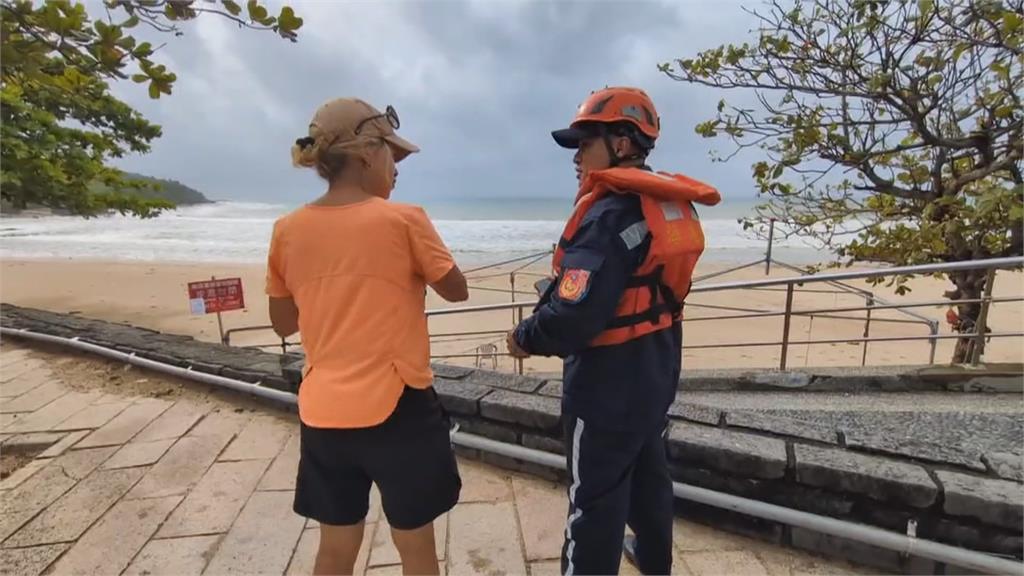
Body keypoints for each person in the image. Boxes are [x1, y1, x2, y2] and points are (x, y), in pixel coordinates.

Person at [507, 86, 720, 575]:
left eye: (584, 142)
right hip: (654, 372)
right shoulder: (661, 205)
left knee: (592, 503)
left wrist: (524, 336)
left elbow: (572, 317)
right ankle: (652, 562)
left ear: (622, 144)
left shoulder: (606, 217)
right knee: (649, 479)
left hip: (605, 388)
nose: (577, 156)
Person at [267, 97, 468, 576]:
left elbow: (282, 323)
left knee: (335, 547)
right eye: (391, 157)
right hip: (399, 406)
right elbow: (456, 290)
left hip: (323, 411)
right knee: (415, 547)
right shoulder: (404, 219)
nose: (397, 170)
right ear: (366, 154)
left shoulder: (287, 230)